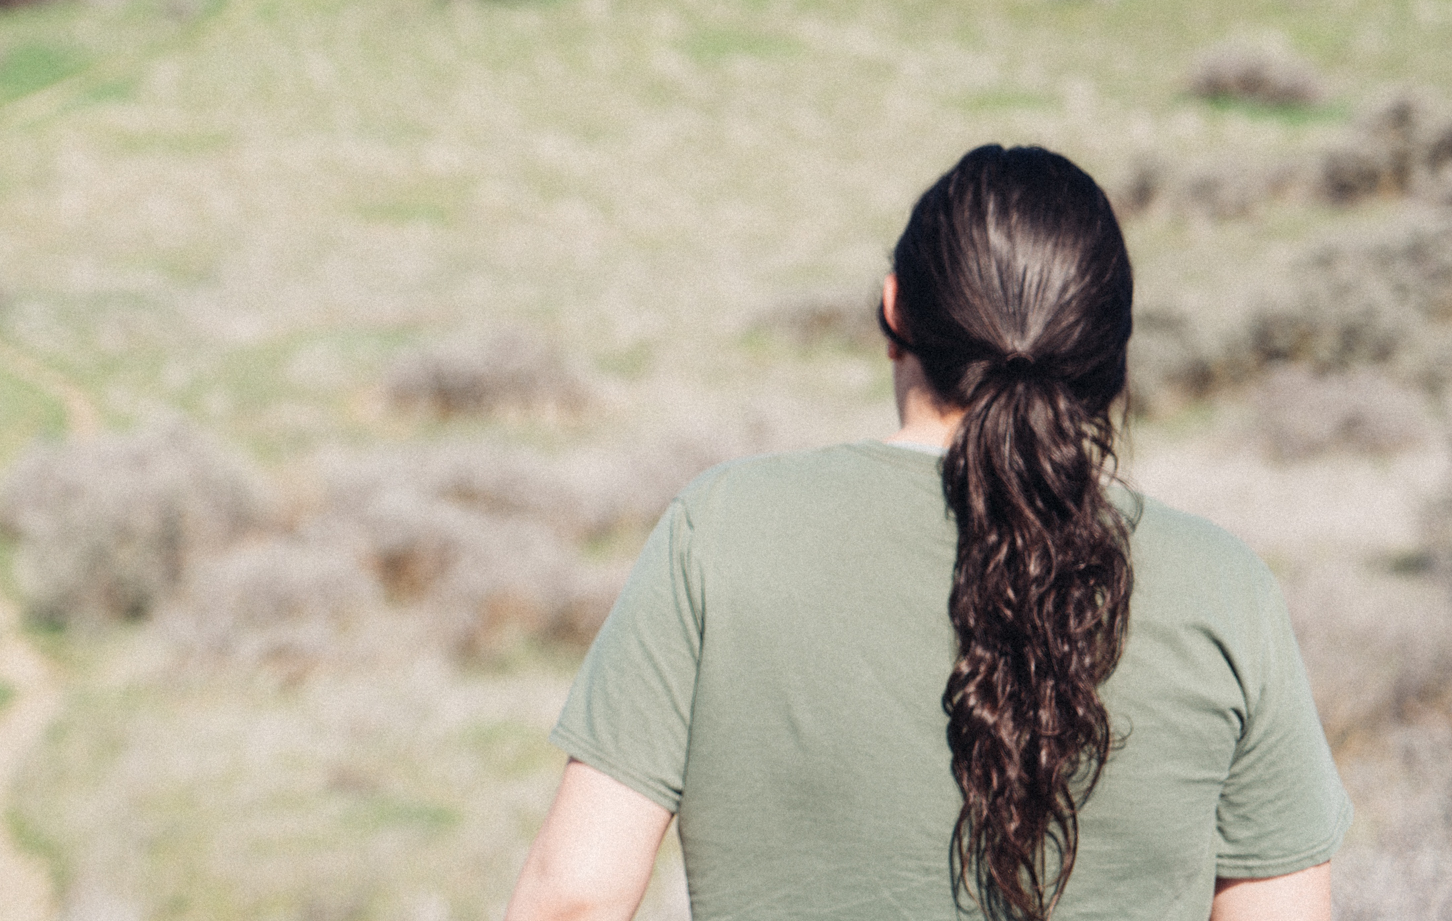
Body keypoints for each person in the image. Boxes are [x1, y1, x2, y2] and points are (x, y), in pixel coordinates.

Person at [505, 144, 1350, 921]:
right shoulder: (1223, 589)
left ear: (894, 310)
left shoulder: (719, 531)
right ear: (1111, 356)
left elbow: (573, 899)